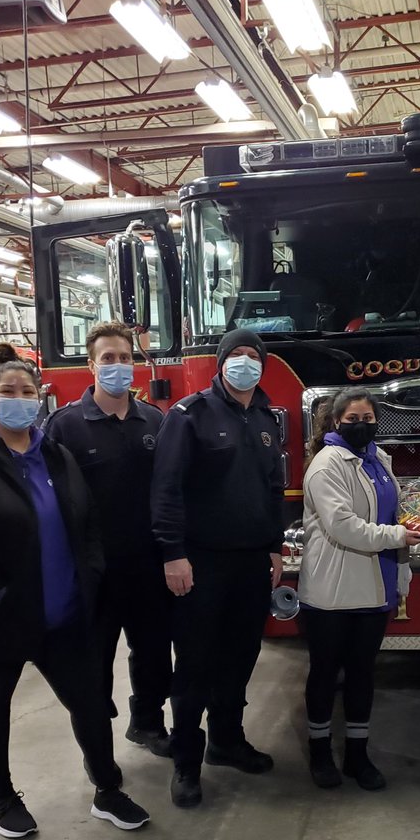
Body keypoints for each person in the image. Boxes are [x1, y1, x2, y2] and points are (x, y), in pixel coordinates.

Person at [0, 344, 149, 838]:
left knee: (89, 703)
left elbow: (86, 521)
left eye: (28, 391)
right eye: (8, 392)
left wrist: (87, 575)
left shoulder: (56, 455)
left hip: (62, 612)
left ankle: (108, 789)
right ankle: (2, 798)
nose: (19, 400)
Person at [152, 328, 285, 808]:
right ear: (221, 363)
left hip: (252, 561)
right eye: (237, 356)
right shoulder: (189, 416)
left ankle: (227, 741)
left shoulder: (267, 419)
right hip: (199, 562)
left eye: (253, 356)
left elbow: (273, 489)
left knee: (241, 656)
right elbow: (166, 489)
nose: (245, 363)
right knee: (195, 665)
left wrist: (274, 547)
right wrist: (172, 553)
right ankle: (187, 760)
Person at [45, 321, 172, 757]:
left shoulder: (154, 420)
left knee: (154, 653)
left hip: (147, 565)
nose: (119, 366)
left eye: (126, 358)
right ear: (91, 365)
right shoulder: (63, 427)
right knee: (93, 660)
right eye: (109, 359)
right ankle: (97, 742)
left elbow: (168, 491)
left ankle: (149, 723)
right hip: (92, 571)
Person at [299, 389, 420, 790]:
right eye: (352, 418)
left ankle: (357, 755)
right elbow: (343, 526)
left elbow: (392, 510)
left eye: (368, 417)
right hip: (334, 590)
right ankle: (320, 753)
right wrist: (400, 535)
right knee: (325, 673)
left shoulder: (378, 459)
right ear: (336, 422)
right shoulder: (326, 464)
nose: (361, 424)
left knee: (363, 674)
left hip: (374, 583)